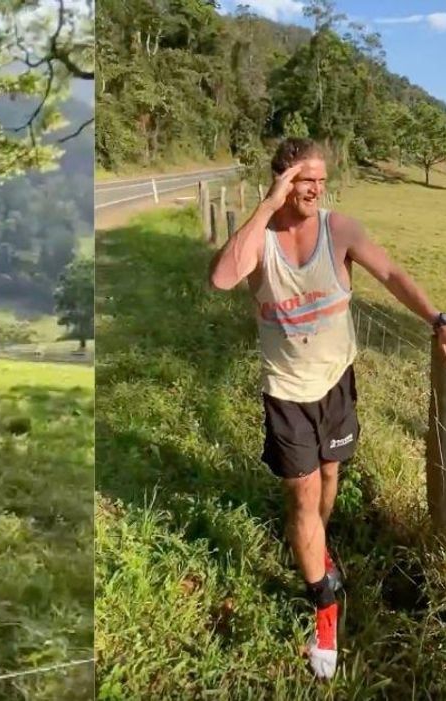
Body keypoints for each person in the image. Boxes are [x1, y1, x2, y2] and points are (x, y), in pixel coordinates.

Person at [209, 137, 446, 680]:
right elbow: (222, 278)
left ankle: (317, 543)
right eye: (302, 180)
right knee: (303, 494)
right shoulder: (259, 238)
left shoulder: (340, 230)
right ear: (281, 181)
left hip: (337, 382)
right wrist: (267, 205)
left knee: (332, 475)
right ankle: (324, 602)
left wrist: (436, 318)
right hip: (287, 392)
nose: (313, 189)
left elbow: (390, 275)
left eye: (318, 179)